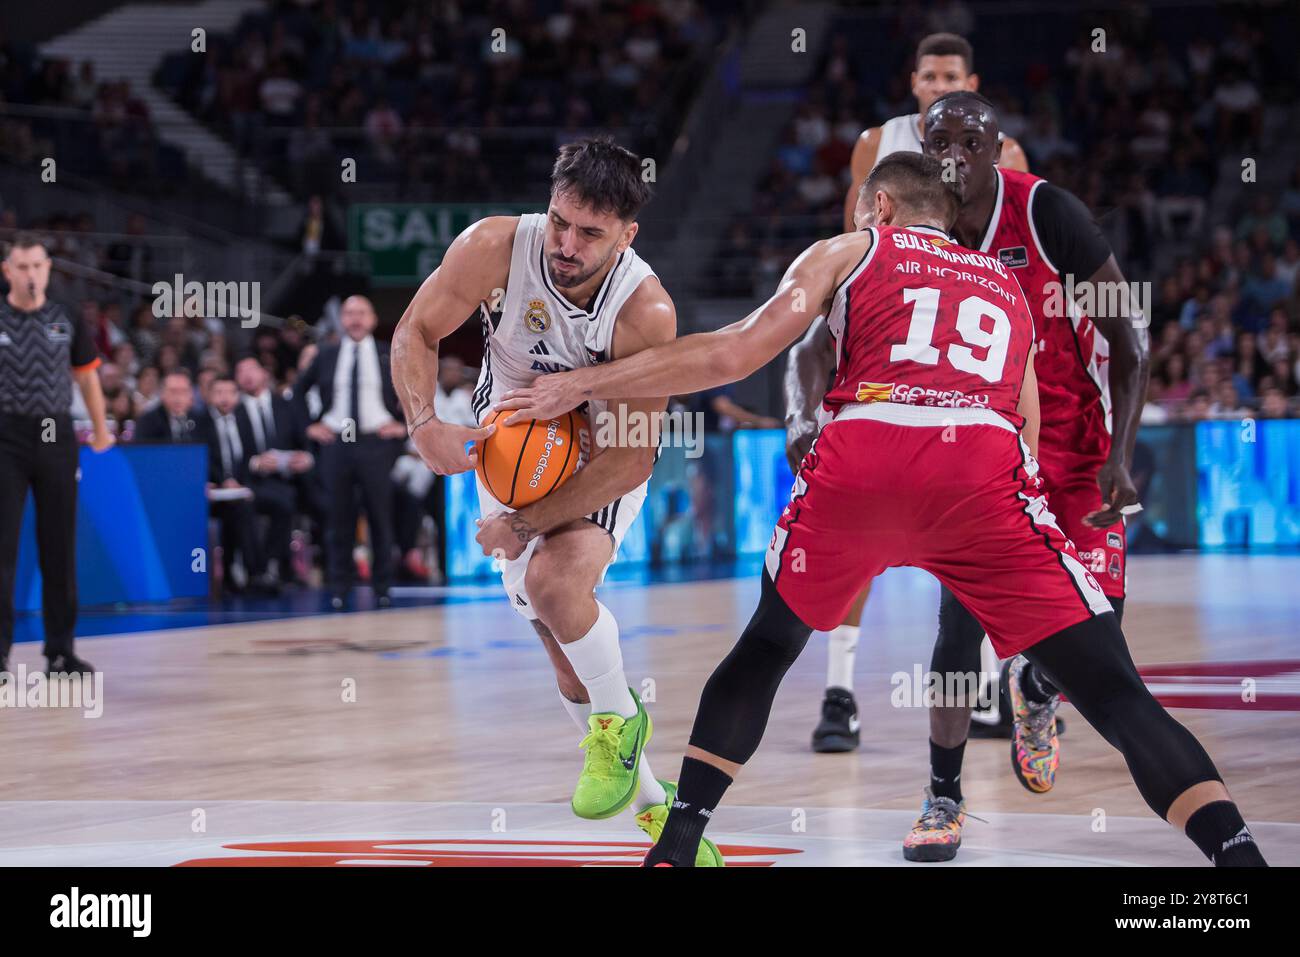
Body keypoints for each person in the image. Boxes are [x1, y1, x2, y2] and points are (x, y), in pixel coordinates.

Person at [498, 151, 1265, 869]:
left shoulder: (852, 247)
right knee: (1114, 692)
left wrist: (586, 384)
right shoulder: (1005, 285)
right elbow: (1025, 425)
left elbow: (735, 350)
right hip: (983, 459)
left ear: (883, 206)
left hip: (868, 443)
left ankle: (678, 841)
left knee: (768, 645)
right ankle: (1237, 855)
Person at [789, 91, 1151, 860]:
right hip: (983, 451)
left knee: (1104, 627)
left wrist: (1121, 453)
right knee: (959, 625)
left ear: (997, 147)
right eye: (937, 136)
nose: (952, 150)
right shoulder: (910, 231)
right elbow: (821, 334)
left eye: (968, 137)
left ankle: (1036, 691)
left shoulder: (1049, 212)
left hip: (1078, 449)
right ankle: (943, 794)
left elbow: (1130, 335)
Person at [390, 138, 722, 866]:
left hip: (599, 453)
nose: (567, 245)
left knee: (553, 581)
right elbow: (414, 329)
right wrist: (423, 423)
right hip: (511, 448)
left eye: (590, 233)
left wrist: (522, 524)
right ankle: (653, 808)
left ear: (628, 235)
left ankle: (616, 720)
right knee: (559, 636)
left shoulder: (645, 310)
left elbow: (634, 455)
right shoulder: (493, 245)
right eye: (560, 222)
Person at [809, 31, 1033, 754]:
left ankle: (992, 687)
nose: (939, 85)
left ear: (971, 79)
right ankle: (839, 691)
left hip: (966, 346)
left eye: (951, 76)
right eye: (929, 76)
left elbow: (1015, 249)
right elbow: (854, 233)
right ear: (914, 81)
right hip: (888, 336)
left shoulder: (1007, 151)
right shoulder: (877, 141)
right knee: (852, 526)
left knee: (982, 528)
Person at [0, 233, 113, 681]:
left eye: (37, 266)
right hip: (5, 436)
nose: (30, 274)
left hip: (56, 437)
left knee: (59, 549)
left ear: (48, 268)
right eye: (21, 267)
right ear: (7, 271)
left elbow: (86, 378)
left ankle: (61, 652)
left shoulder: (65, 315)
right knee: (2, 550)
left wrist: (102, 429)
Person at [295, 296, 407, 609]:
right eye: (349, 313)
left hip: (375, 441)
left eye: (361, 313)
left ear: (372, 319)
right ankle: (339, 587)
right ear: (342, 320)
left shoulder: (389, 353)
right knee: (338, 519)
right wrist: (310, 426)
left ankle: (383, 585)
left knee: (380, 518)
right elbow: (297, 392)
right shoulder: (327, 353)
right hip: (339, 439)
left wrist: (404, 425)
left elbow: (416, 390)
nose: (355, 319)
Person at [236, 355, 312, 587]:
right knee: (279, 502)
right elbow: (230, 455)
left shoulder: (285, 405)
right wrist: (255, 463)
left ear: (264, 374)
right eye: (241, 371)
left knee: (318, 499)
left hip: (290, 478)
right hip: (250, 481)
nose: (247, 375)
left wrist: (306, 458)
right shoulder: (235, 411)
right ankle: (265, 567)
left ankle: (303, 566)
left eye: (252, 369)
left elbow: (305, 441)